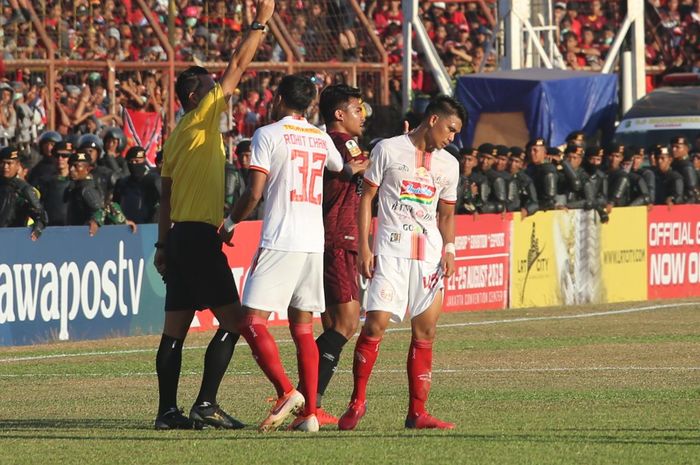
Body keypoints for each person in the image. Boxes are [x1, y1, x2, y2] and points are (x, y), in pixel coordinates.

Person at [152, 0, 275, 431]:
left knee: (175, 331)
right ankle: (205, 403)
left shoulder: (174, 138)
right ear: (195, 97)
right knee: (235, 320)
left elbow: (164, 199)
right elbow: (239, 64)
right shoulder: (203, 118)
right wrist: (261, 21)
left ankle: (168, 413)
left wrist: (162, 245)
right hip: (201, 239)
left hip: (181, 238)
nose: (218, 90)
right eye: (210, 86)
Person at [220, 74, 364, 433]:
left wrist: (230, 223)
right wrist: (357, 166)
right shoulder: (320, 136)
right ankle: (310, 414)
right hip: (314, 242)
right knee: (303, 328)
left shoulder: (267, 134)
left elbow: (254, 193)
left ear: (280, 98)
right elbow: (340, 167)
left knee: (251, 322)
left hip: (281, 238)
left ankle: (286, 391)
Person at [338, 95, 466, 431]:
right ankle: (357, 403)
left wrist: (450, 249)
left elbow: (447, 214)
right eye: (451, 130)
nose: (452, 138)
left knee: (426, 331)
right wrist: (366, 247)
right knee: (375, 324)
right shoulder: (388, 150)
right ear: (434, 120)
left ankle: (417, 413)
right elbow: (367, 198)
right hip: (392, 252)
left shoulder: (449, 165)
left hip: (429, 259)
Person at [311, 84, 370, 425]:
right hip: (338, 237)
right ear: (339, 114)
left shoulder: (333, 144)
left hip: (331, 237)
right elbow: (366, 169)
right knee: (347, 323)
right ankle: (303, 398)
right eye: (357, 109)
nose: (362, 115)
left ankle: (308, 401)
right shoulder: (342, 144)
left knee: (333, 323)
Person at [0, 146, 46, 240]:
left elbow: (40, 215)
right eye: (2, 163)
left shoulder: (24, 189)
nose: (5, 167)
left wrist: (37, 228)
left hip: (13, 238)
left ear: (17, 165)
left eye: (9, 163)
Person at [112, 146, 160, 223]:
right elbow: (114, 206)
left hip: (149, 228)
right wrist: (122, 221)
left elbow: (162, 205)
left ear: (144, 161)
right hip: (126, 227)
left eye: (137, 161)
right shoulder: (122, 183)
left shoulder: (154, 181)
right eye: (131, 162)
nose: (134, 164)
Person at [35, 141, 74, 226]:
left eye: (65, 156)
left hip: (73, 229)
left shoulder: (78, 181)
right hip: (50, 228)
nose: (60, 158)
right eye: (57, 155)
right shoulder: (44, 181)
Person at [670, 136, 699, 203]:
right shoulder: (674, 164)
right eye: (672, 147)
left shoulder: (686, 166)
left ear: (686, 148)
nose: (673, 149)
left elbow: (692, 192)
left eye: (677, 147)